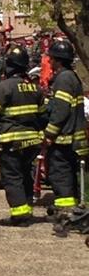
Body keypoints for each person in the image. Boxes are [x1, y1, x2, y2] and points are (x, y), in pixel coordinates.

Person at [0, 45, 46, 226]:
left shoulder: (3, 88)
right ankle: (27, 209)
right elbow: (43, 115)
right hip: (32, 140)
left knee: (12, 177)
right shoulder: (35, 89)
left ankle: (20, 214)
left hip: (11, 140)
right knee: (25, 174)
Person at [44, 38, 89, 216]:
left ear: (58, 60)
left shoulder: (63, 79)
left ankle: (66, 211)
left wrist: (49, 133)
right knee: (70, 174)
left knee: (60, 174)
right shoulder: (72, 77)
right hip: (74, 138)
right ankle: (74, 208)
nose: (50, 62)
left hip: (63, 138)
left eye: (52, 59)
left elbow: (60, 111)